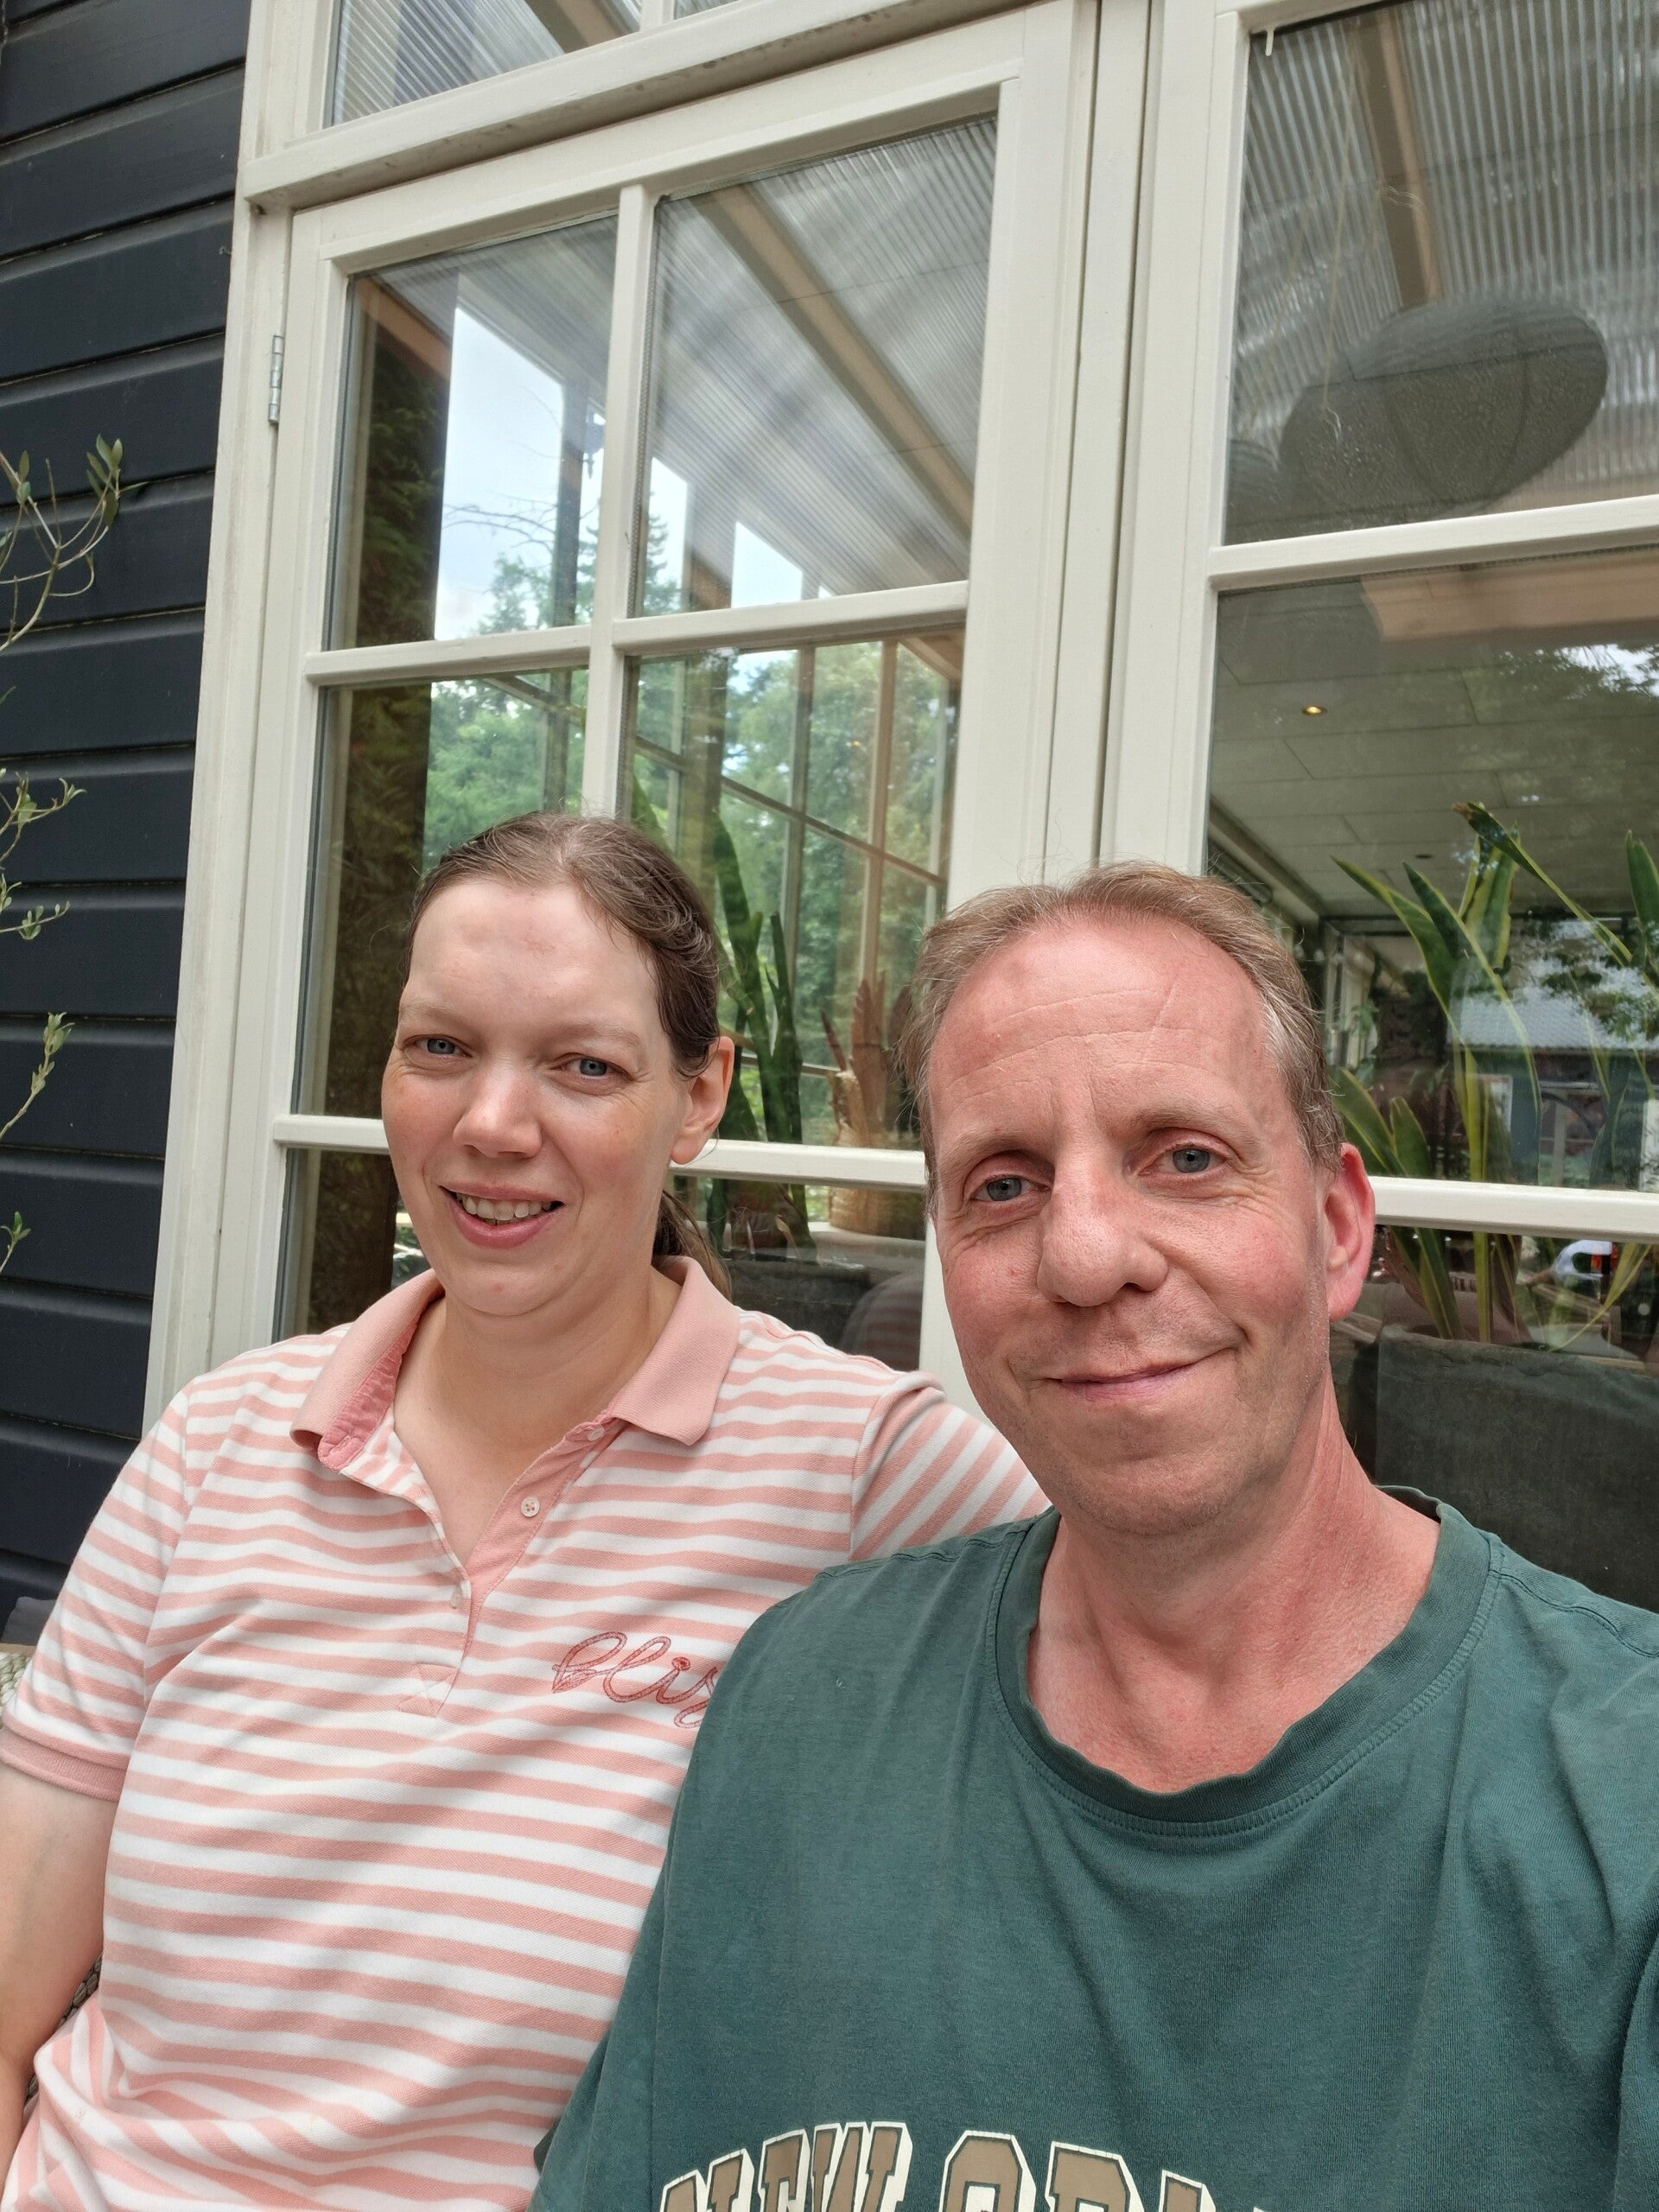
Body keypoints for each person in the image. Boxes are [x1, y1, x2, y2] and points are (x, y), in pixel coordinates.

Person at [535, 861, 1659, 2212]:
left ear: (1337, 1229)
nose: (1084, 1257)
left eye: (1185, 1159)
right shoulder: (800, 1707)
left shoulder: (1619, 1805)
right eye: (1004, 1185)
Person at [0, 813, 1039, 2212]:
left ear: (699, 1094)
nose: (492, 1124)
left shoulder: (864, 1472)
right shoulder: (218, 1441)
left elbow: (1170, 1692)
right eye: (440, 1047)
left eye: (583, 1065)